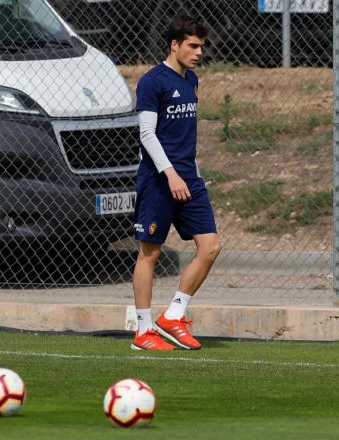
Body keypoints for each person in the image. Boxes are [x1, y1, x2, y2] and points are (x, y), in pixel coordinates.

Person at [131, 16, 221, 351]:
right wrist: (170, 173)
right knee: (149, 253)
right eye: (193, 46)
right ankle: (143, 331)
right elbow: (147, 134)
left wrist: (191, 174)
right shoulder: (152, 82)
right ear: (174, 45)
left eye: (202, 46)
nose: (199, 52)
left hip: (189, 179)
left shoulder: (192, 80)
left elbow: (186, 135)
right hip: (159, 179)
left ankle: (173, 315)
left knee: (210, 247)